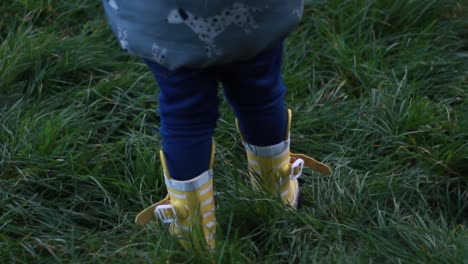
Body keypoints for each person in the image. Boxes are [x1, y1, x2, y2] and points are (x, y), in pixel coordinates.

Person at [102, 0, 331, 251]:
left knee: (185, 116)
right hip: (255, 15)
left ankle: (194, 230)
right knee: (260, 95)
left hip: (163, 26)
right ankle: (276, 190)